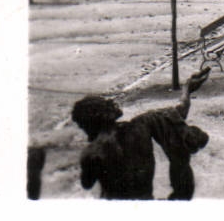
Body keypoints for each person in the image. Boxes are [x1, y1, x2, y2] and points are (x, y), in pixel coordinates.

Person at [71, 65, 212, 200]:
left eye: (80, 124)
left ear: (87, 123)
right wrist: (187, 89)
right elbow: (179, 112)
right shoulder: (142, 125)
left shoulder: (92, 152)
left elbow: (87, 184)